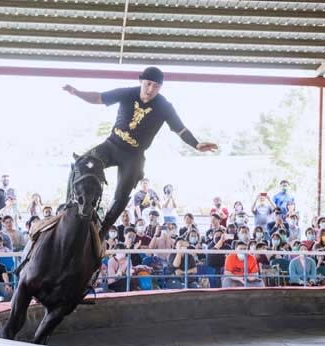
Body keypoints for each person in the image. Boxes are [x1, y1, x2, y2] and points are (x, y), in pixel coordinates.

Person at [63, 66, 217, 237]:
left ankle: (103, 230)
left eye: (156, 86)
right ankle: (68, 207)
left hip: (133, 156)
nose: (151, 89)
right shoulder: (127, 93)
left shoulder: (164, 106)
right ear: (141, 81)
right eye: (148, 84)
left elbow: (180, 129)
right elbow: (99, 97)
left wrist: (196, 144)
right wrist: (77, 92)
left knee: (122, 194)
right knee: (81, 163)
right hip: (111, 145)